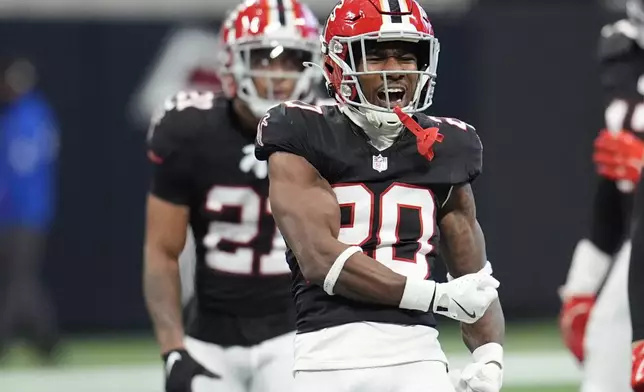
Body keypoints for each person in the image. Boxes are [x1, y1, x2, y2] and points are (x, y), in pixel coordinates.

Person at [255, 0, 504, 391]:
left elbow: (474, 277)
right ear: (338, 65)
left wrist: (489, 357)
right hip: (327, 358)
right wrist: (437, 296)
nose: (396, 70)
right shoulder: (301, 131)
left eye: (407, 57)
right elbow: (321, 259)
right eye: (376, 56)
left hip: (417, 357)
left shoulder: (449, 145)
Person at [142, 1, 325, 391]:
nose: (277, 75)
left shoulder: (329, 135)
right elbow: (162, 250)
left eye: (291, 59)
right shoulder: (188, 130)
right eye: (264, 58)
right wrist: (173, 348)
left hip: (297, 335)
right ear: (231, 63)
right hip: (209, 337)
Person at [559, 1, 644, 390]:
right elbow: (614, 186)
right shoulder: (623, 49)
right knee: (606, 369)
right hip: (636, 243)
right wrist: (582, 284)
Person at [0, 57, 60, 362]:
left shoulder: (31, 116)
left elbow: (22, 168)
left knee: (19, 280)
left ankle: (6, 340)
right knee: (22, 281)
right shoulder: (13, 116)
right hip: (11, 213)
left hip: (27, 214)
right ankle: (48, 343)